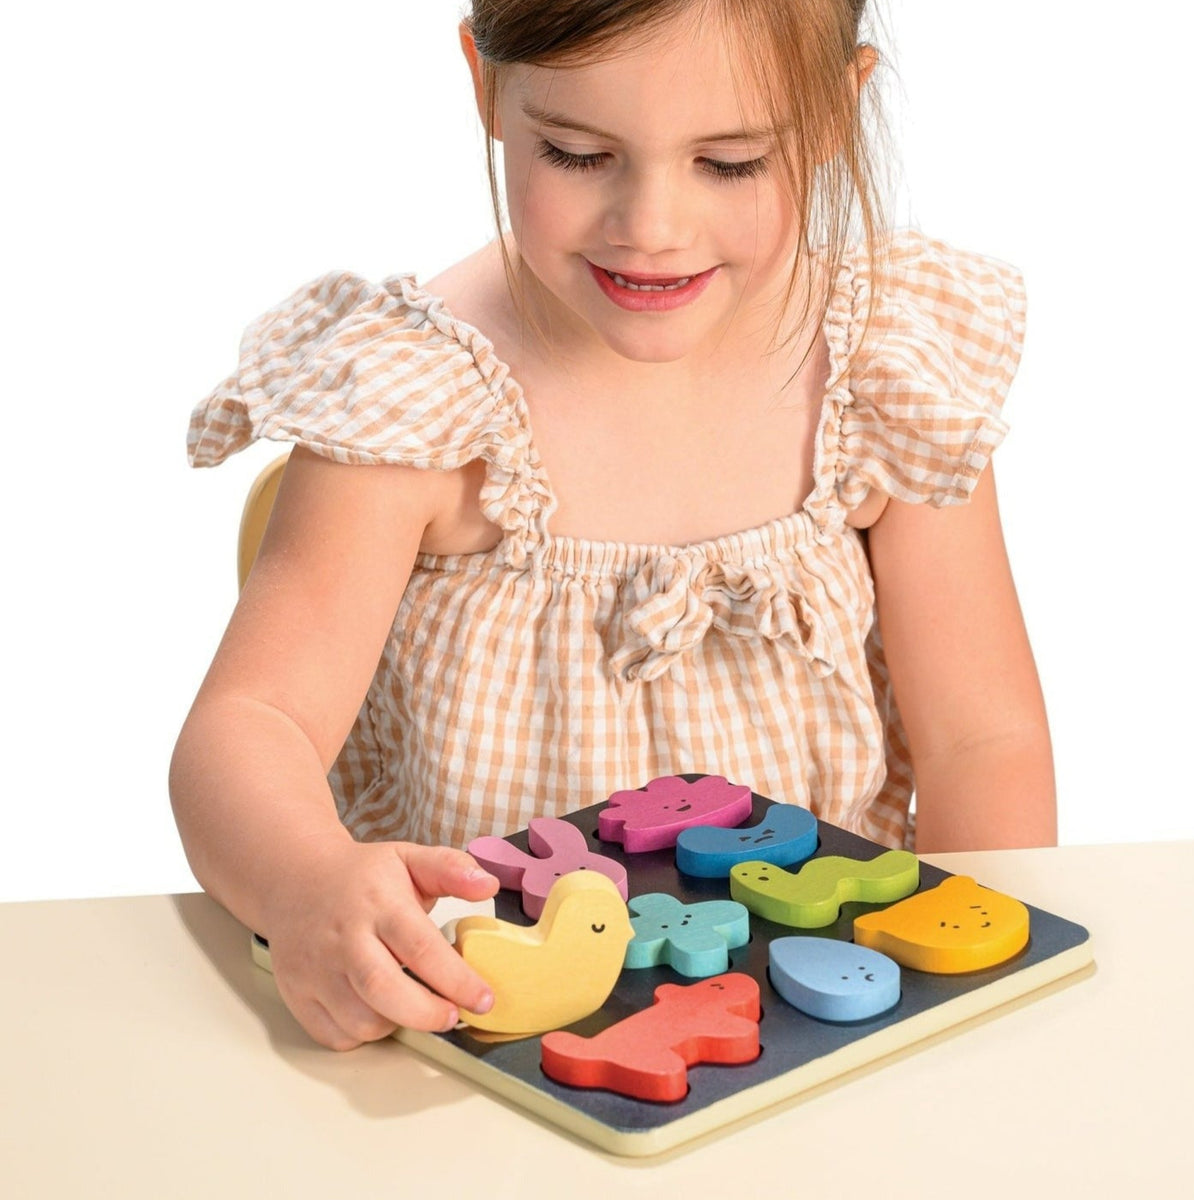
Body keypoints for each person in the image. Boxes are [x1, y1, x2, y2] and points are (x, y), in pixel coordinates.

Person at [170, 0, 1056, 1050]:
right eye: (579, 153)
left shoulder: (884, 371)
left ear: (831, 117)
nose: (651, 224)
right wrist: (305, 881)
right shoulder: (415, 403)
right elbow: (246, 728)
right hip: (483, 1032)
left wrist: (979, 1012)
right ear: (489, 88)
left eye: (729, 163)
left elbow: (982, 742)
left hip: (817, 1020)